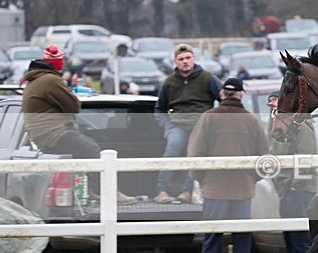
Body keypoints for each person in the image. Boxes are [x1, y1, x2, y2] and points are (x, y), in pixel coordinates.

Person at [21, 45, 137, 204]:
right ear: (58, 63)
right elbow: (74, 107)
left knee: (85, 148)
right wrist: (68, 92)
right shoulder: (51, 79)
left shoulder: (36, 80)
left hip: (42, 134)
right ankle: (105, 192)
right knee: (91, 148)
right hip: (53, 133)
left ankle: (87, 191)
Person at [187, 77, 270, 253]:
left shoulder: (208, 118)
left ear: (222, 94)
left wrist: (202, 180)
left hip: (214, 189)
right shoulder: (253, 120)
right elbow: (264, 156)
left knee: (212, 235)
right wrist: (252, 179)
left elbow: (195, 154)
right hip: (243, 188)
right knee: (242, 236)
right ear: (241, 95)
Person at [154, 43, 222, 204]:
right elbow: (159, 108)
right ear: (175, 62)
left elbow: (224, 101)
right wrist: (166, 124)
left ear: (194, 58)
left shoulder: (208, 78)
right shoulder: (169, 82)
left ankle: (187, 191)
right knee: (173, 149)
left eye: (188, 58)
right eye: (181, 59)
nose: (185, 61)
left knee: (195, 154)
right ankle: (161, 190)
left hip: (201, 125)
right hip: (176, 124)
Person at [267, 90, 318, 253]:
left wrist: (295, 186)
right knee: (290, 234)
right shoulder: (280, 127)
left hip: (298, 190)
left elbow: (306, 157)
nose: (271, 106)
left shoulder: (301, 128)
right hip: (287, 189)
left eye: (274, 102)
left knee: (299, 236)